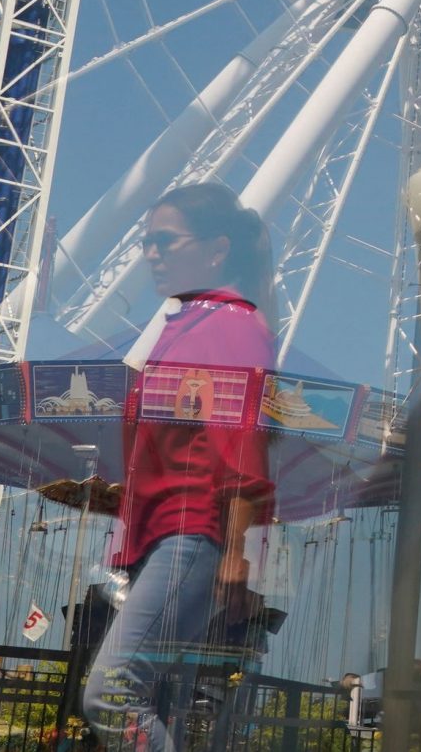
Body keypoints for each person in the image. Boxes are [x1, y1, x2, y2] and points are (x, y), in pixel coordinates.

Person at [83, 183, 278, 752]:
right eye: (146, 242)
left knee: (112, 693)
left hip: (192, 533)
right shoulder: (186, 327)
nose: (151, 253)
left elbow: (242, 440)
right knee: (145, 695)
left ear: (217, 249)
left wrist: (237, 552)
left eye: (165, 240)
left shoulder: (229, 327)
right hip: (166, 533)